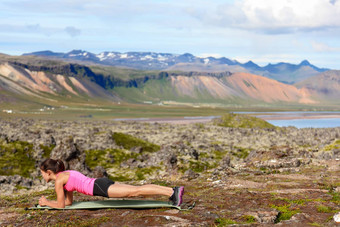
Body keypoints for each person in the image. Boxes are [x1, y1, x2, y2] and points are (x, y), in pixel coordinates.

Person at [39, 158, 184, 209]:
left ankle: (172, 193)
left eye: (42, 172)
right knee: (137, 189)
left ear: (49, 172)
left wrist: (46, 202)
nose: (41, 175)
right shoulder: (66, 175)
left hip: (100, 187)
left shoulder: (59, 180)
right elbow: (68, 202)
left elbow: (61, 205)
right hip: (101, 182)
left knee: (136, 191)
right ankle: (172, 190)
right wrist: (55, 201)